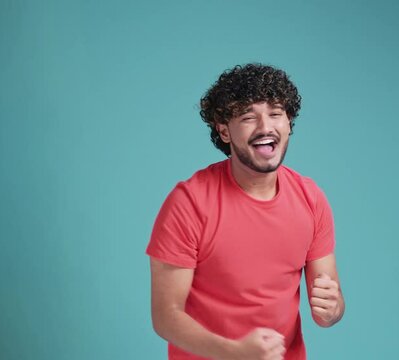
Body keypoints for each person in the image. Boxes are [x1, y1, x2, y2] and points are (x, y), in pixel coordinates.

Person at [146, 63, 345, 360]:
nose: (266, 127)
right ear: (224, 130)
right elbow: (166, 316)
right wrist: (234, 352)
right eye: (249, 117)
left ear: (289, 123)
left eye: (276, 114)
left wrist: (333, 308)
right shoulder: (189, 203)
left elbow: (329, 304)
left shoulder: (311, 198)